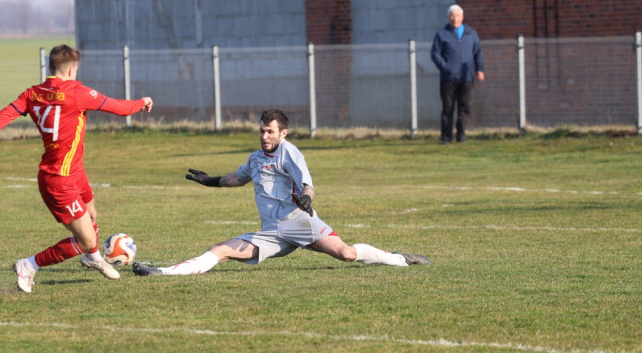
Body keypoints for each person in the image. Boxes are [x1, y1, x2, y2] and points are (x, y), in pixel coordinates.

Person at [132, 109, 430, 277]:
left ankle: (399, 259)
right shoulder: (256, 158)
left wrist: (307, 198)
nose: (264, 136)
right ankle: (162, 272)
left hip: (299, 222)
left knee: (347, 254)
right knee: (220, 249)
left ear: (282, 133)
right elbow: (239, 177)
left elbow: (307, 185)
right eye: (262, 131)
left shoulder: (290, 153)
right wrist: (211, 180)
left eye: (270, 132)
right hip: (273, 232)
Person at [0, 44, 153, 293]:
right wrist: (143, 101)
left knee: (92, 214)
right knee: (87, 239)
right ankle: (29, 265)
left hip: (75, 172)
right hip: (58, 179)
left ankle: (92, 257)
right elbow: (120, 107)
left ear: (51, 67)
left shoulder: (32, 93)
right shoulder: (77, 92)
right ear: (73, 69)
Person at [430, 4, 485, 144]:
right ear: (448, 18)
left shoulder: (471, 33)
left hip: (466, 78)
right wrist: (445, 66)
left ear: (462, 17)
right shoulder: (442, 34)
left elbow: (477, 53)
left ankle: (461, 135)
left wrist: (480, 69)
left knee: (464, 108)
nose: (455, 19)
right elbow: (435, 53)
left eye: (458, 15)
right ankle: (446, 137)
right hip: (448, 79)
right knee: (448, 109)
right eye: (452, 16)